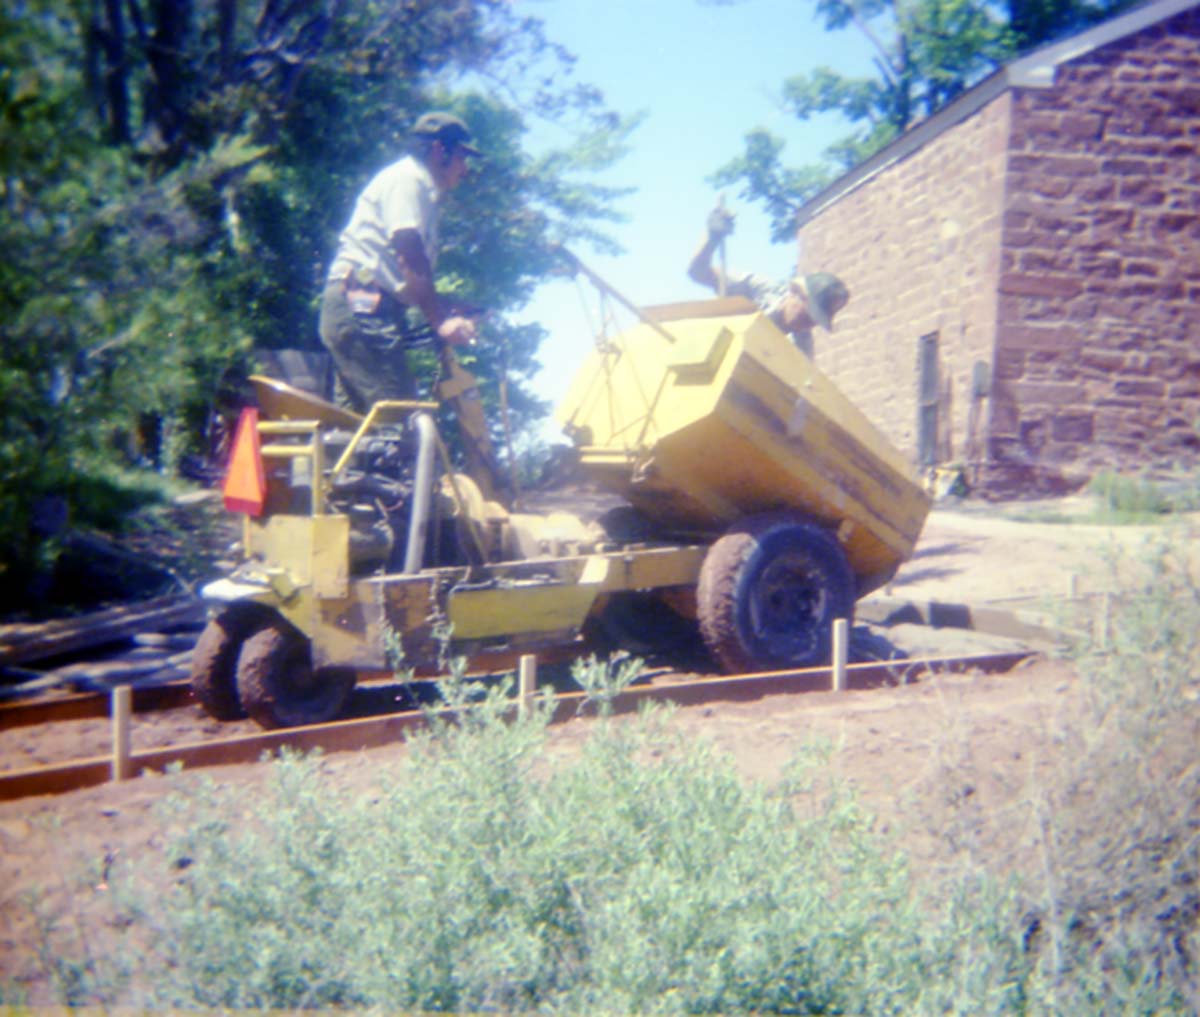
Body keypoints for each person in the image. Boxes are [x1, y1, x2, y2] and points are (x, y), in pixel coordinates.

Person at [319, 111, 482, 412]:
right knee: (400, 418)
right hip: (363, 304)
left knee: (359, 429)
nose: (465, 167)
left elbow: (397, 273)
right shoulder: (408, 181)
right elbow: (408, 253)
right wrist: (442, 321)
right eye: (462, 156)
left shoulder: (418, 187)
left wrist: (443, 304)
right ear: (438, 150)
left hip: (360, 302)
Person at [687, 204, 849, 358]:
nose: (809, 324)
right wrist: (712, 237)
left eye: (816, 320)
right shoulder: (758, 289)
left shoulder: (802, 348)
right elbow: (698, 272)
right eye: (808, 314)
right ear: (795, 292)